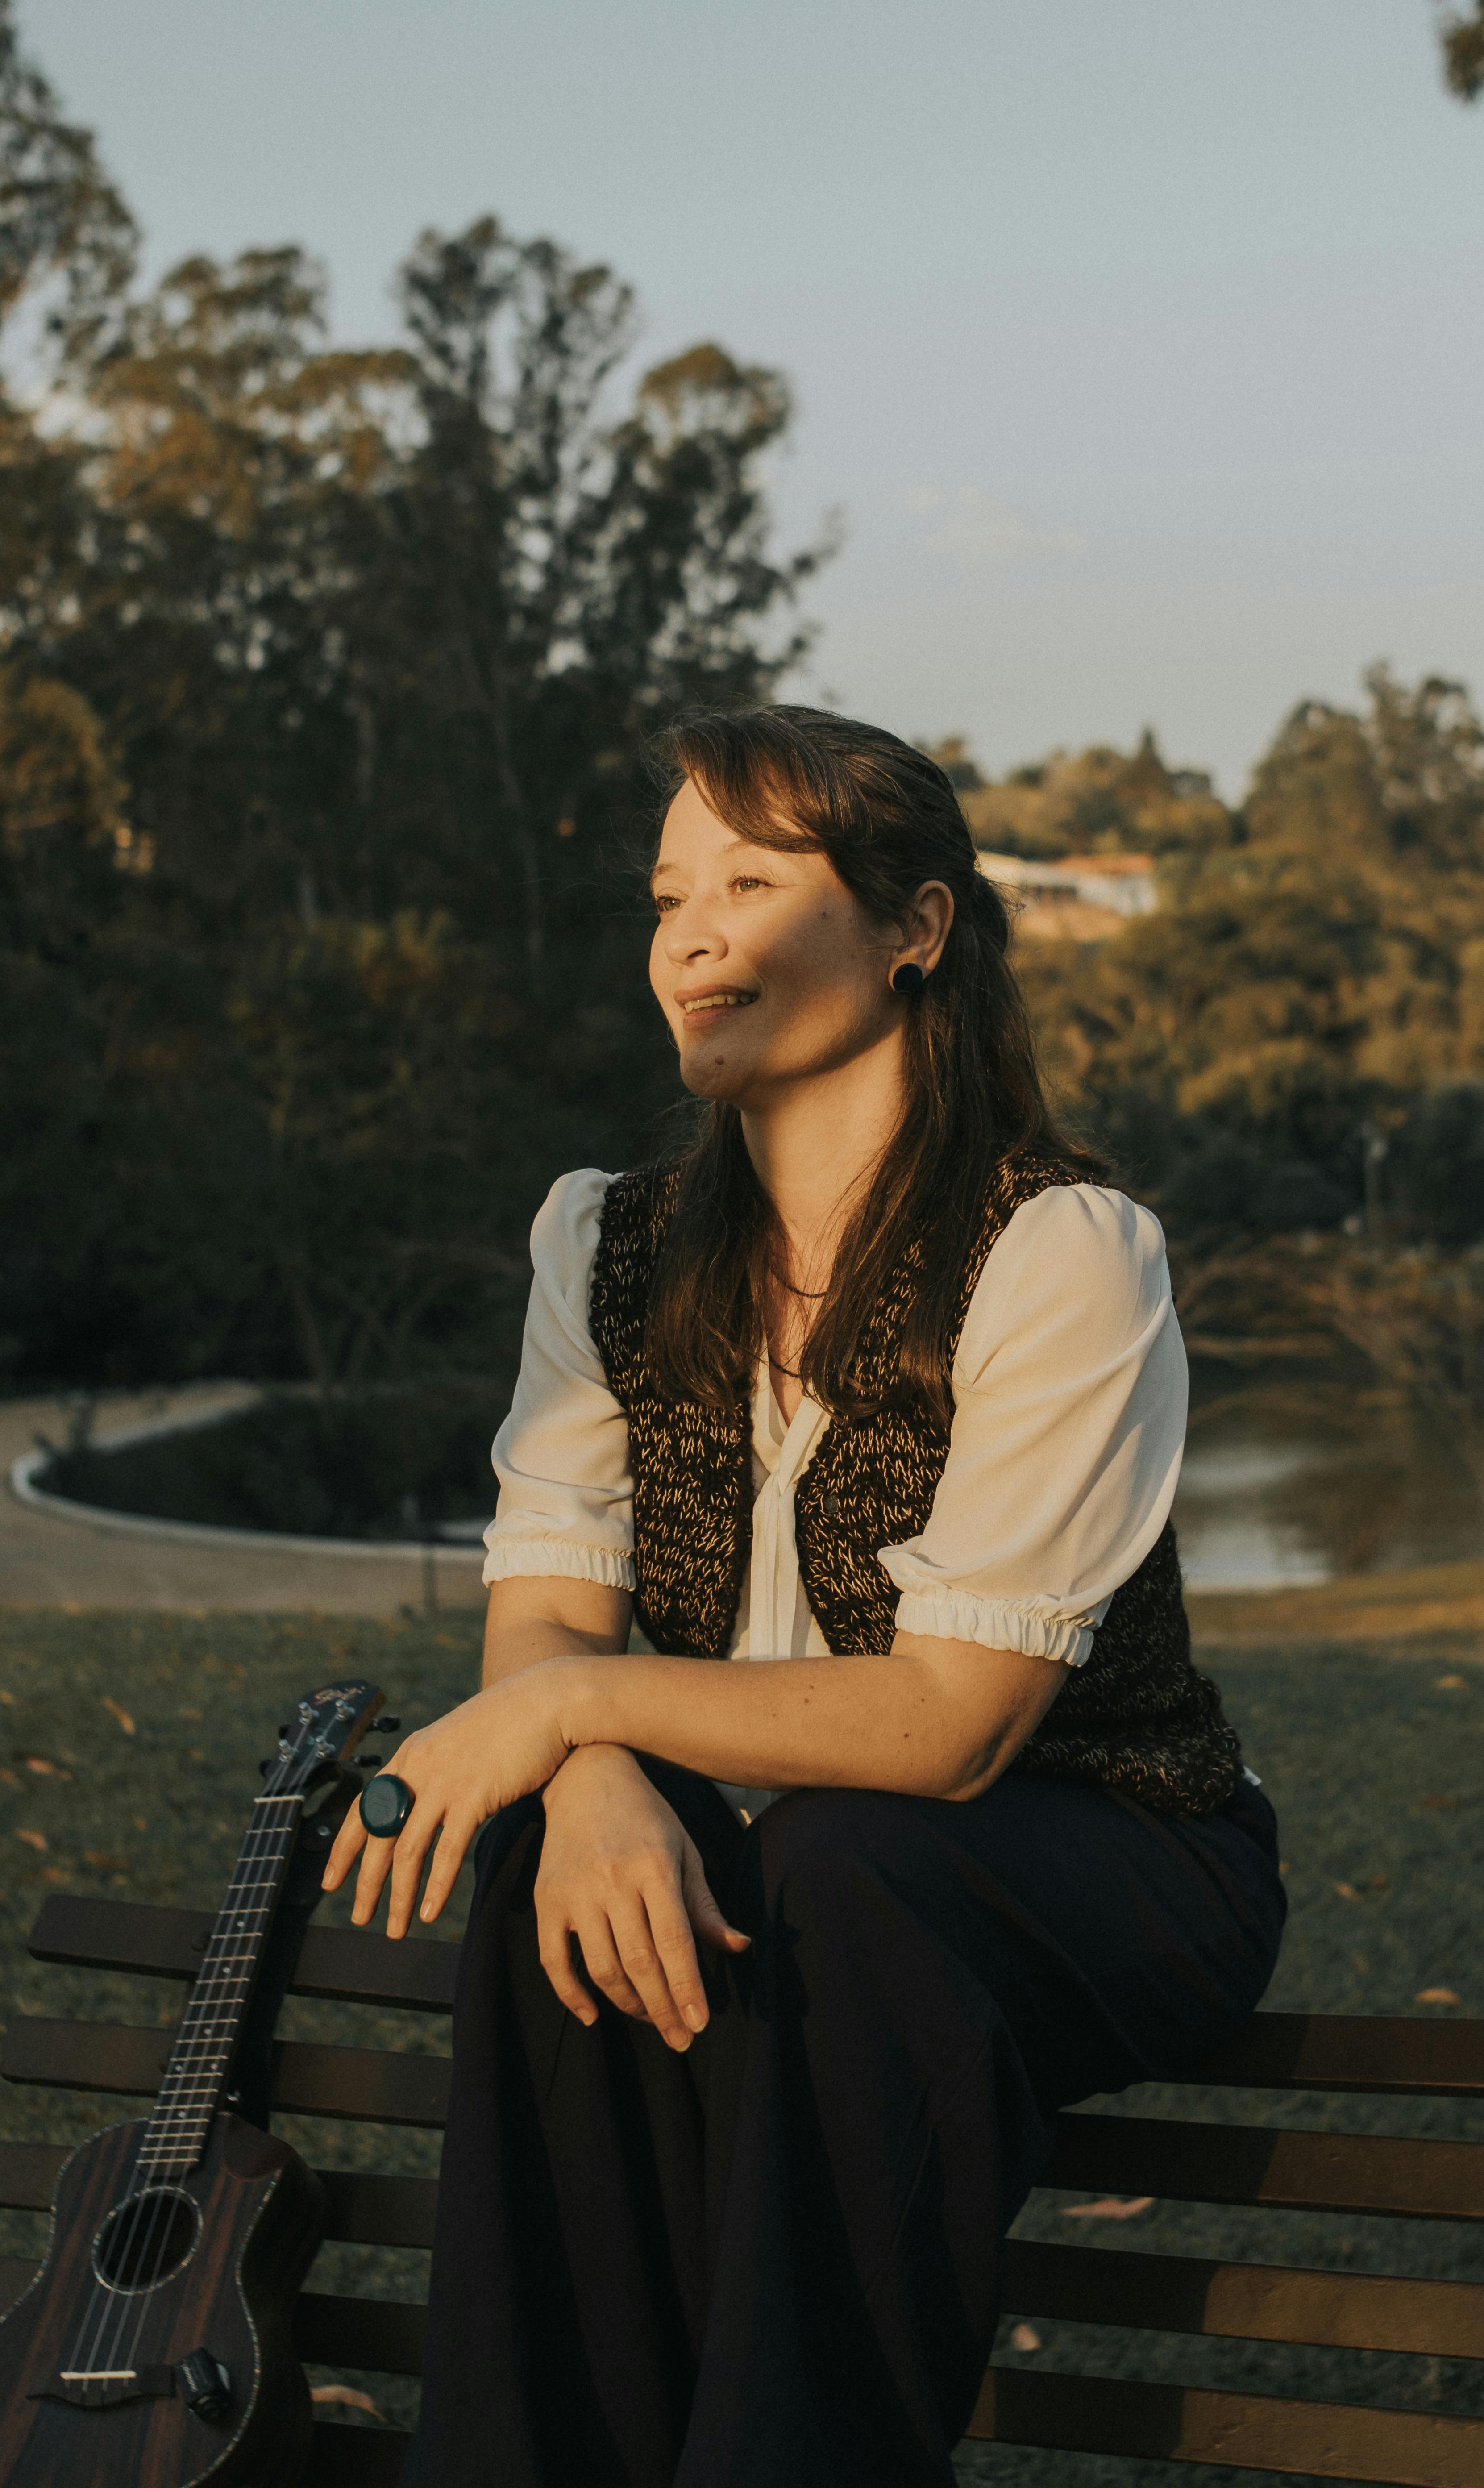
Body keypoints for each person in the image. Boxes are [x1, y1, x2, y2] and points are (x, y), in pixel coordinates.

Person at [323, 704, 1285, 2488]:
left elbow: (945, 1722)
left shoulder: (1055, 1250)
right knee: (578, 1866)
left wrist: (565, 1712)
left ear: (916, 928)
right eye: (671, 894)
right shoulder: (602, 1243)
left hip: (1100, 1847)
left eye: (752, 884)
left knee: (849, 1868)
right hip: (786, 1862)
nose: (690, 934)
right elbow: (552, 1600)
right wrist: (592, 1776)